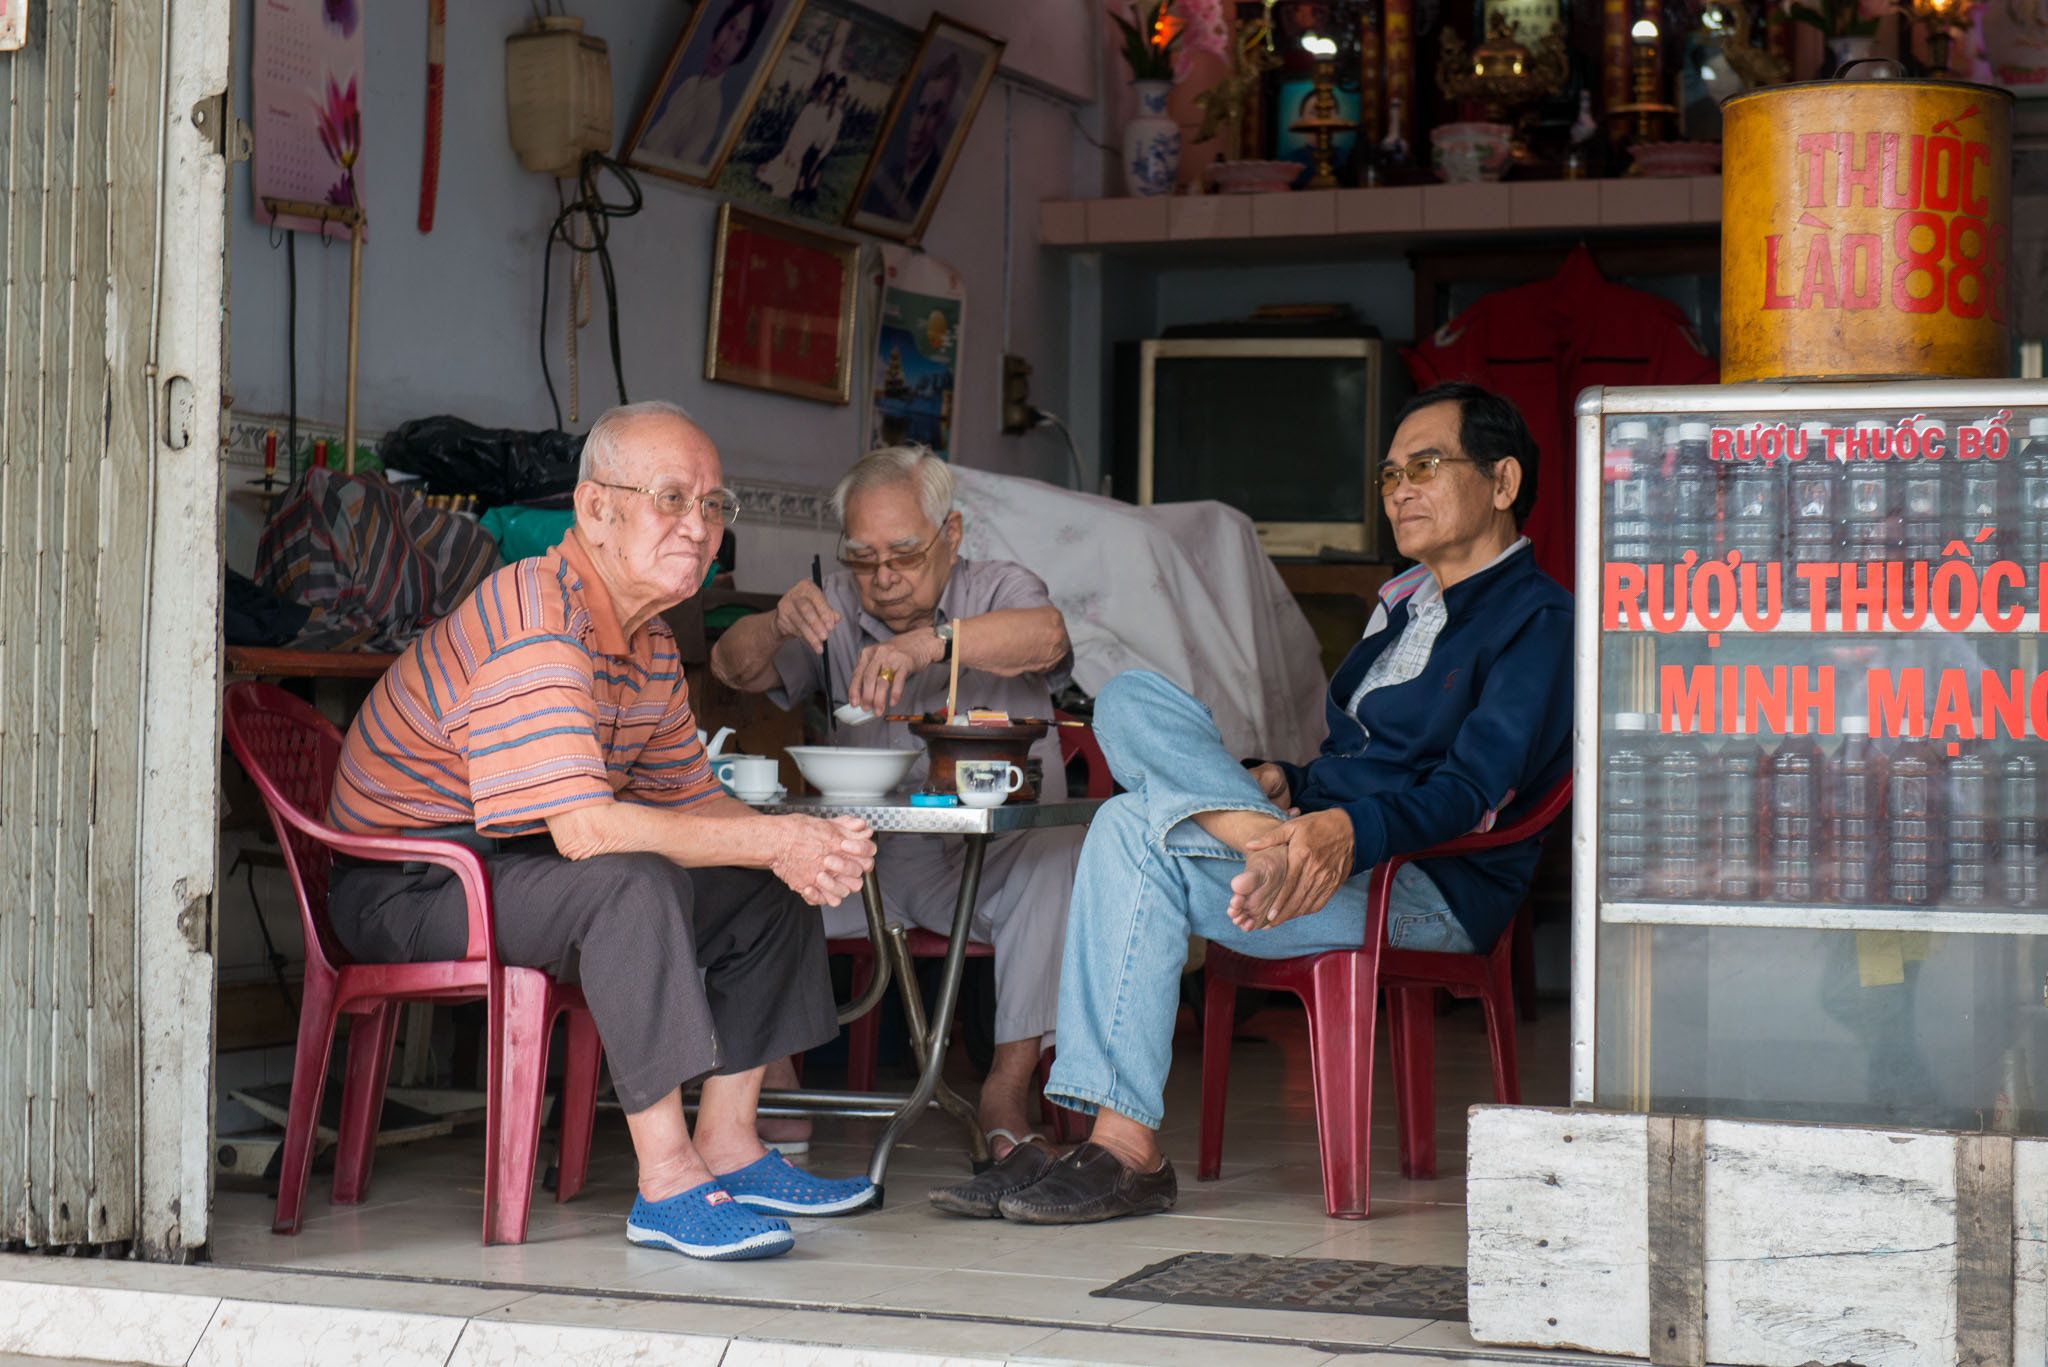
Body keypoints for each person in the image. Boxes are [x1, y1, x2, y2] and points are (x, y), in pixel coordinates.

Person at [951, 381, 1573, 1224]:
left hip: (1422, 885)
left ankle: (1125, 1149)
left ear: (1502, 481)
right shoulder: (1401, 605)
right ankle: (1259, 838)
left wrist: (1345, 829)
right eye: (1390, 474)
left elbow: (1472, 795)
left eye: (1425, 466)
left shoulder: (1539, 620)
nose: (1400, 490)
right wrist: (1290, 784)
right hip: (1312, 854)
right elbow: (1356, 760)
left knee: (1128, 824)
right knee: (1129, 696)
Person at [325, 401, 882, 1261]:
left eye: (713, 505)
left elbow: (694, 800)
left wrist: (805, 848)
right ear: (594, 509)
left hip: (518, 862)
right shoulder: (537, 614)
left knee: (766, 886)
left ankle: (731, 1144)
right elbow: (587, 830)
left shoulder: (648, 644)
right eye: (672, 498)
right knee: (634, 883)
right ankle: (666, 1181)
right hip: (411, 882)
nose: (699, 527)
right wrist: (777, 840)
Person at [709, 446, 1084, 1166]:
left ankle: (1005, 1094)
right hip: (867, 862)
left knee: (1057, 861)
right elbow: (731, 667)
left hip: (989, 863)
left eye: (904, 555)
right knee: (742, 875)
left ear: (952, 533)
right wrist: (778, 621)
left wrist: (929, 644)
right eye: (863, 558)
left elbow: (1049, 637)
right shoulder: (836, 607)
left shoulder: (999, 586)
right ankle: (776, 1086)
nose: (882, 578)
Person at [644, 0, 776, 170]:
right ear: (722, 24)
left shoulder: (711, 108)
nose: (725, 45)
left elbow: (681, 167)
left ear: (742, 50)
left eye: (739, 38)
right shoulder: (689, 84)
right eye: (730, 27)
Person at [858, 52, 962, 224]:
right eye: (921, 110)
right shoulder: (888, 176)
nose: (921, 127)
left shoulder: (938, 184)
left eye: (934, 113)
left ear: (943, 118)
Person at [758, 72, 844, 203]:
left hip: (804, 151)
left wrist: (801, 155)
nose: (824, 94)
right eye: (824, 89)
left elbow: (817, 140)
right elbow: (795, 130)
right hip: (794, 144)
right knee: (770, 171)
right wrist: (789, 149)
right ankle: (771, 167)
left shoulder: (826, 115)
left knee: (786, 183)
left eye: (828, 92)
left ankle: (797, 182)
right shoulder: (809, 107)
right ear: (820, 89)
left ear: (831, 96)